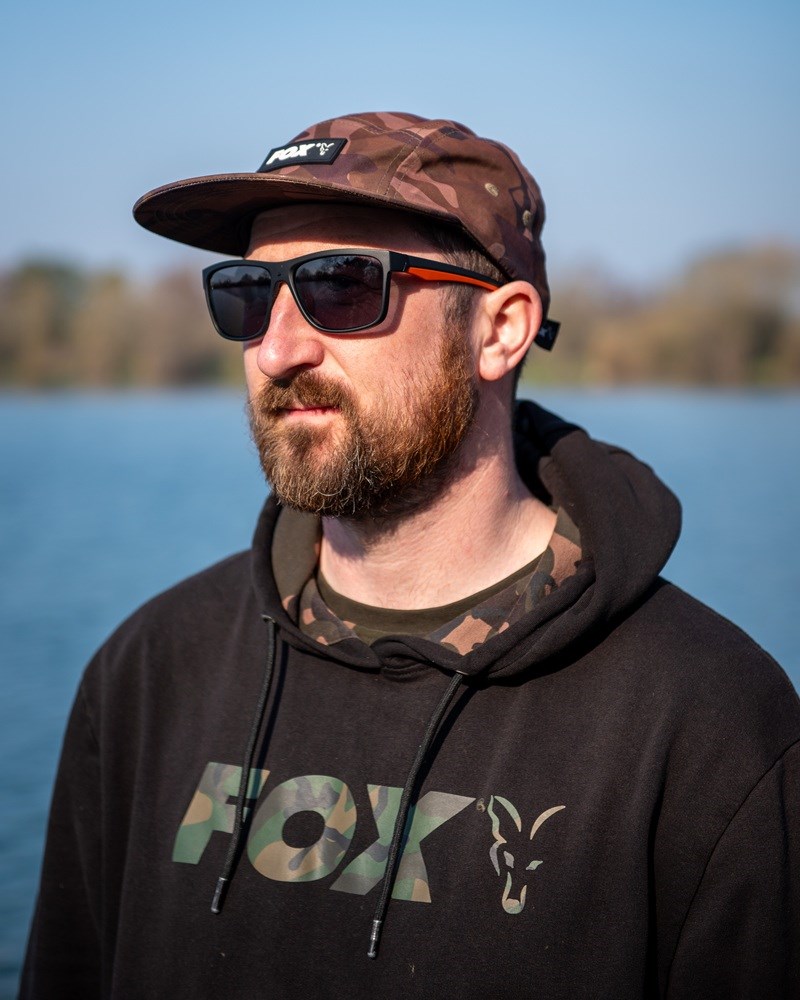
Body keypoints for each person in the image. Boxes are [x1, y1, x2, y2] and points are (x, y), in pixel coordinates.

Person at [21, 112, 800, 999]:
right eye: (248, 293)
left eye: (342, 285)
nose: (276, 349)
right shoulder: (148, 672)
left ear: (500, 331)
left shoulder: (712, 727)